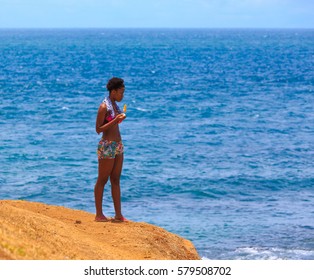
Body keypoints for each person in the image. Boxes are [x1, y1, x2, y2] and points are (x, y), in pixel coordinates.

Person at [94, 77, 127, 222]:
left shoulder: (114, 104)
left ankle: (118, 215)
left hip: (118, 145)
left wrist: (119, 119)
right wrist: (115, 120)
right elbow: (98, 129)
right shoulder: (104, 107)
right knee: (102, 179)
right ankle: (99, 214)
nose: (122, 95)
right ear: (113, 92)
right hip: (107, 145)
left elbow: (114, 124)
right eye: (121, 92)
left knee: (116, 179)